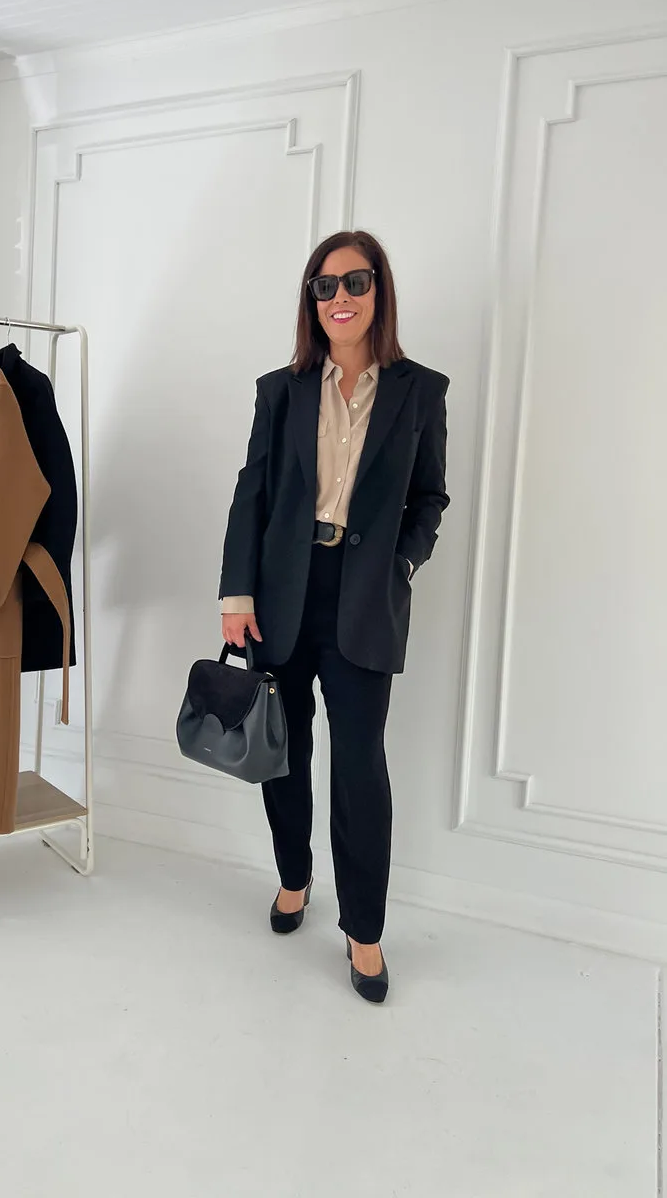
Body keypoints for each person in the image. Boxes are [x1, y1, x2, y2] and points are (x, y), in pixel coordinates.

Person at [219, 231, 449, 1002]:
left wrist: (402, 563)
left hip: (365, 598)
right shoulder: (280, 390)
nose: (340, 299)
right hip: (281, 593)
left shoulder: (419, 391)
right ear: (311, 301)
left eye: (355, 282)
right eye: (325, 286)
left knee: (359, 768)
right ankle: (293, 875)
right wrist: (235, 594)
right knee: (281, 753)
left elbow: (430, 499)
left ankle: (365, 931)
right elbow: (251, 492)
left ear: (379, 290)